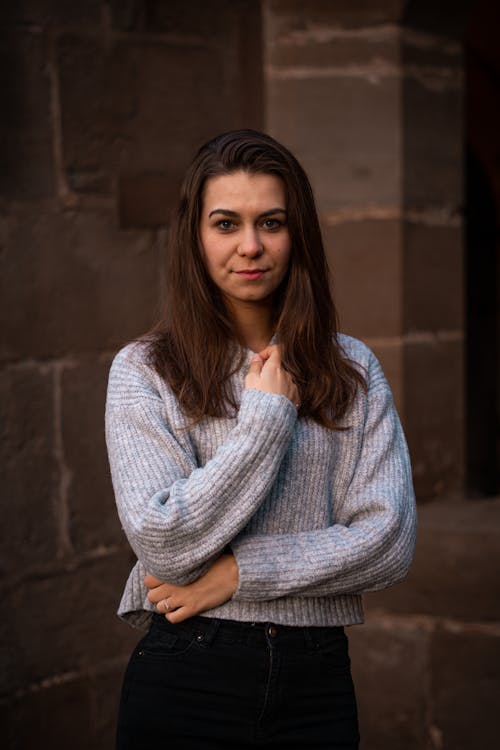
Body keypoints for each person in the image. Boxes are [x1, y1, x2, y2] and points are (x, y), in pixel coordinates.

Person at [105, 129, 417, 749]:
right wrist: (266, 421)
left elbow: (388, 541)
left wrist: (238, 574)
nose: (250, 246)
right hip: (191, 673)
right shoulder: (145, 369)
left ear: (297, 233)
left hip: (317, 679)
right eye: (226, 223)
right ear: (195, 235)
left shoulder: (351, 368)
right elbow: (162, 541)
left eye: (270, 222)